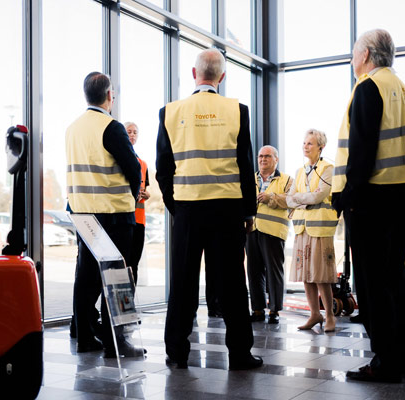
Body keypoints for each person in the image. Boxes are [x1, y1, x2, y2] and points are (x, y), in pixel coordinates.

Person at [156, 48, 261, 370]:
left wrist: (177, 207)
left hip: (188, 209)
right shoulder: (237, 110)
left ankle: (177, 352)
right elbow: (245, 166)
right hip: (227, 210)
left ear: (193, 74)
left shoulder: (170, 112)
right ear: (222, 77)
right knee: (232, 284)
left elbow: (163, 169)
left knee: (183, 283)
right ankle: (240, 354)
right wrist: (248, 212)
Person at [332, 29, 405, 383]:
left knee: (371, 287)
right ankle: (404, 358)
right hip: (400, 199)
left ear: (366, 54)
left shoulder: (369, 86)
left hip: (372, 200)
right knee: (395, 280)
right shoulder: (401, 89)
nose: (353, 59)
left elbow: (363, 149)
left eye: (354, 53)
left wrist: (346, 198)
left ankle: (385, 362)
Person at [66, 71, 144, 358]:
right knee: (118, 278)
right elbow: (132, 168)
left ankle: (85, 336)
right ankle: (117, 342)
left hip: (82, 212)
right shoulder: (111, 127)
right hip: (113, 213)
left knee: (86, 277)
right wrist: (134, 193)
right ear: (110, 96)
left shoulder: (72, 128)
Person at [286, 129, 339, 333]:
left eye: (310, 143)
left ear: (320, 147)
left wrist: (300, 198)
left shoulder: (328, 168)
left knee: (321, 275)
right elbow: (289, 198)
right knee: (306, 274)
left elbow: (319, 196)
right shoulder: (300, 171)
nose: (305, 146)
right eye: (304, 143)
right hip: (302, 228)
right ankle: (314, 314)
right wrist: (301, 198)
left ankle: (330, 316)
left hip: (320, 228)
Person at [246, 145, 292, 324]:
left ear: (276, 159)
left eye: (267, 156)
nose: (262, 159)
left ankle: (274, 310)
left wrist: (270, 198)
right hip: (252, 229)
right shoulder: (251, 179)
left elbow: (290, 200)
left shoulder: (287, 180)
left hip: (273, 231)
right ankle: (257, 309)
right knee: (254, 271)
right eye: (260, 157)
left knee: (274, 272)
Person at [124, 121, 150, 286]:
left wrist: (146, 194)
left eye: (135, 132)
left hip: (139, 220)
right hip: (124, 218)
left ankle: (130, 303)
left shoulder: (143, 164)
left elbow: (145, 189)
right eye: (129, 131)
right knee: (123, 263)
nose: (132, 134)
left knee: (134, 263)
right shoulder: (121, 160)